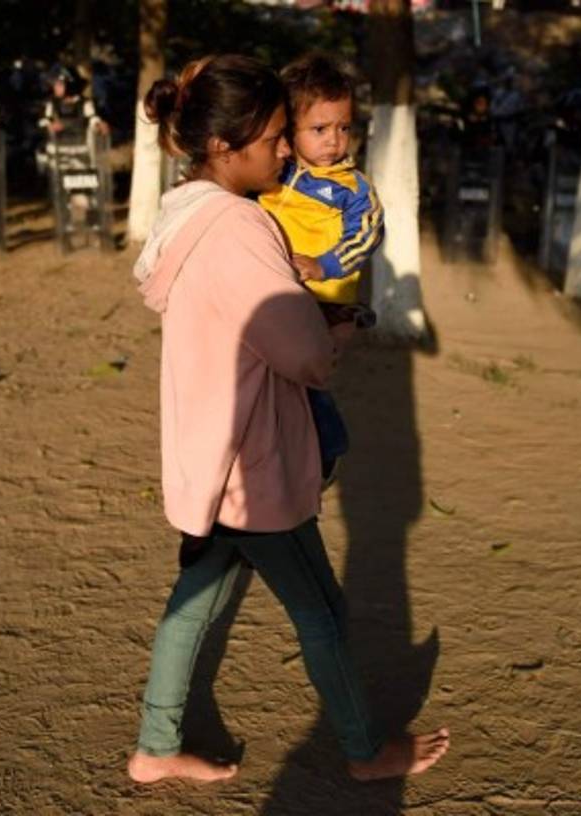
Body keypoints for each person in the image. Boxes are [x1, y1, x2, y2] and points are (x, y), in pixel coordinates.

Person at [126, 53, 449, 785]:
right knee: (323, 614)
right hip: (256, 457)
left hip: (214, 449)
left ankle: (155, 746)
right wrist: (338, 326)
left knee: (191, 606)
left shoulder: (184, 213)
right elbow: (304, 358)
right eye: (274, 136)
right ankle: (367, 750)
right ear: (222, 144)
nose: (286, 149)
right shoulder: (242, 229)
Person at [257, 54, 384, 486]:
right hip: (276, 297)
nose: (334, 140)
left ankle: (328, 448)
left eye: (343, 128)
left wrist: (323, 265)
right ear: (289, 129)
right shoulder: (276, 171)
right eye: (319, 129)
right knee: (272, 382)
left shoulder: (353, 189)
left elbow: (367, 237)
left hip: (324, 305)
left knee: (308, 381)